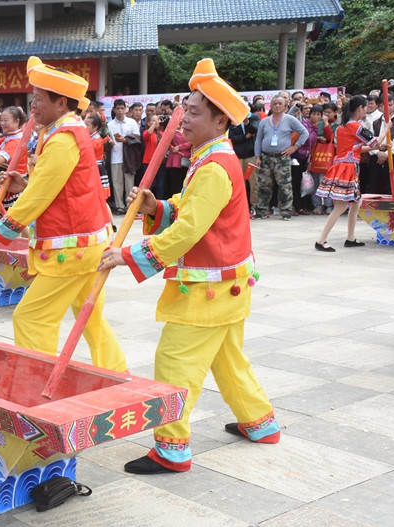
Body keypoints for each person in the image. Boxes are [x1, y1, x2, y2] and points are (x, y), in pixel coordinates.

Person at [98, 58, 280, 474]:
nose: (182, 118)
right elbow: (191, 210)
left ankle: (172, 448)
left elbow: (192, 229)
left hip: (208, 291)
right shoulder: (212, 157)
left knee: (175, 364)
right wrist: (159, 207)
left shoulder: (214, 165)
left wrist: (129, 255)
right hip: (227, 286)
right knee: (229, 360)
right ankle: (260, 422)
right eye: (185, 109)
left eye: (194, 112)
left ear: (221, 122)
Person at [0, 56, 127, 373]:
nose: (33, 106)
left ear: (62, 102)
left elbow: (40, 197)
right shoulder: (59, 131)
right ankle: (116, 375)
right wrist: (23, 182)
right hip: (87, 242)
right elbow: (56, 188)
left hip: (72, 249)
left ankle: (36, 382)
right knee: (89, 317)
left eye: (39, 99)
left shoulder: (64, 137)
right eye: (33, 98)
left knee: (31, 318)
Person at [315, 95, 380, 252]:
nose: (366, 110)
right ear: (359, 109)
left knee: (355, 203)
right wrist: (387, 130)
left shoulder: (342, 126)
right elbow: (374, 142)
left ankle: (350, 238)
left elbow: (355, 148)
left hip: (344, 165)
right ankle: (321, 240)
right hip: (348, 168)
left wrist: (380, 145)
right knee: (342, 205)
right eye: (365, 108)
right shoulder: (356, 126)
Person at [254, 95, 308, 220]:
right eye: (274, 104)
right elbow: (258, 140)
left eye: (280, 104)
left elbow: (304, 132)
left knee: (285, 185)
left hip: (282, 157)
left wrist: (295, 147)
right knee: (263, 185)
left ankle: (286, 212)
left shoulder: (290, 119)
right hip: (266, 157)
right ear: (270, 106)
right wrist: (257, 156)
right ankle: (261, 210)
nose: (277, 106)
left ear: (285, 106)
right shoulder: (264, 121)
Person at [107, 99, 140, 214]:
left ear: (126, 109)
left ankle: (129, 205)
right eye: (118, 108)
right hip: (115, 157)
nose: (120, 111)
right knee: (117, 183)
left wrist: (125, 140)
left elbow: (137, 138)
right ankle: (120, 206)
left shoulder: (131, 122)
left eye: (122, 108)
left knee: (129, 183)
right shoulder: (109, 125)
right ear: (114, 109)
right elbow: (106, 139)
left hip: (129, 157)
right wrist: (110, 142)